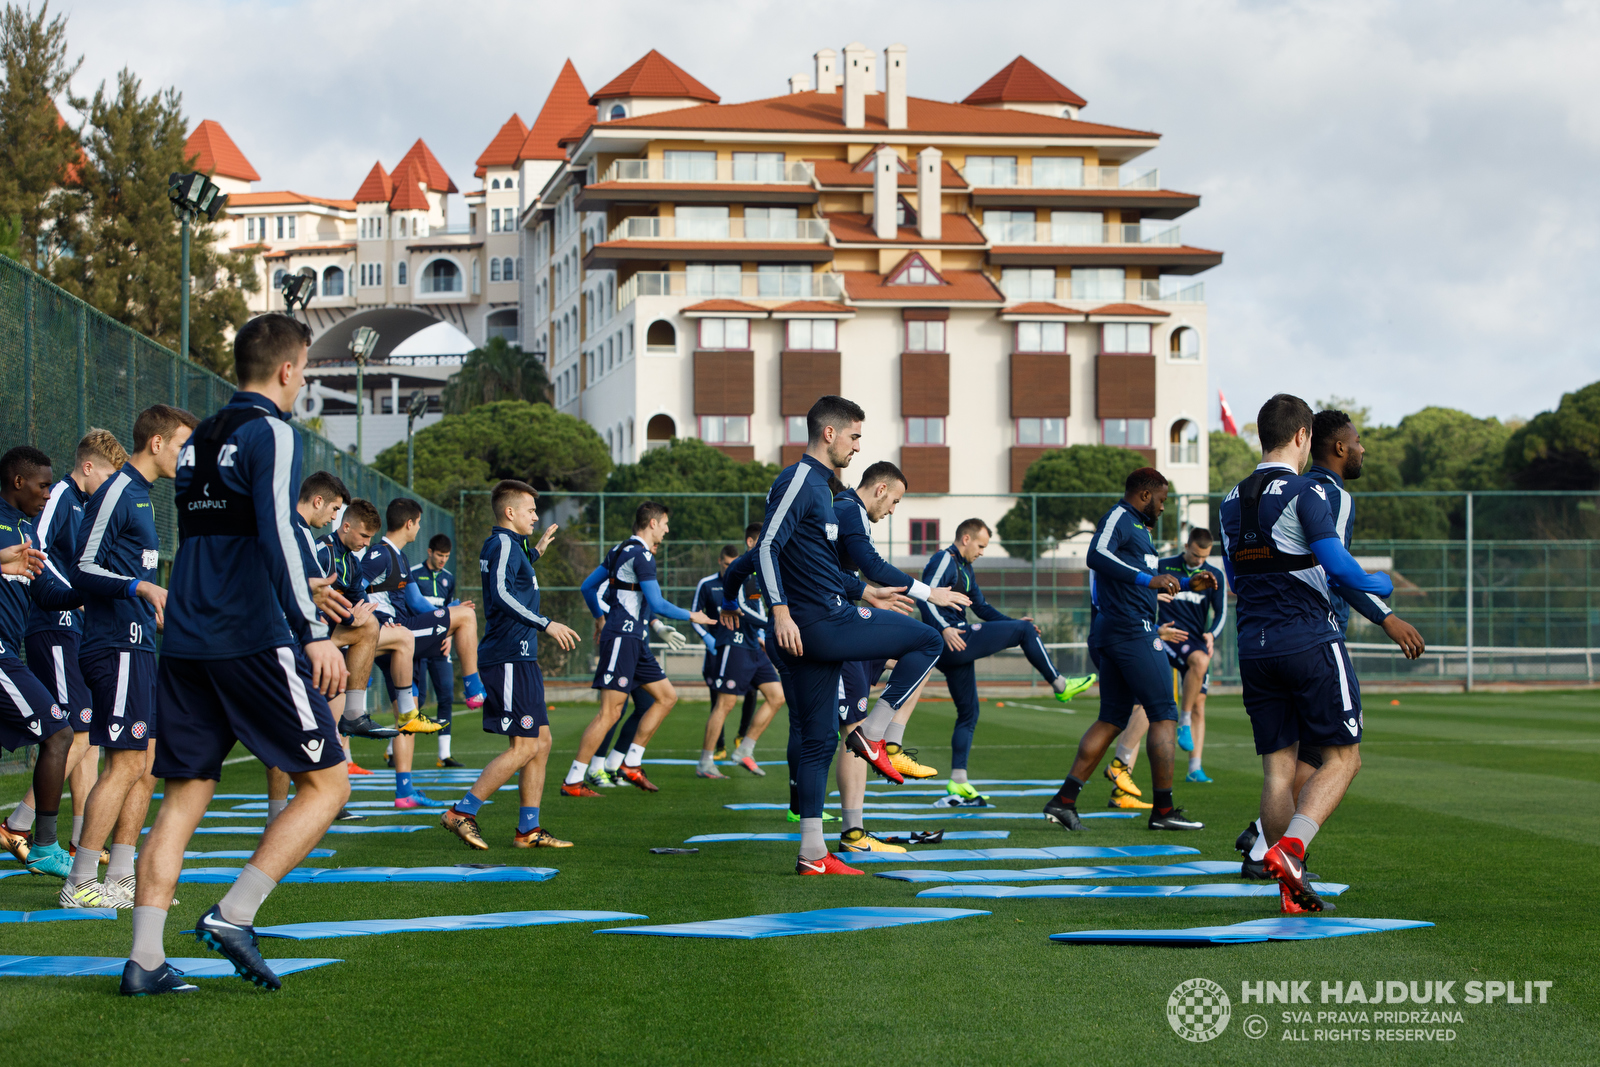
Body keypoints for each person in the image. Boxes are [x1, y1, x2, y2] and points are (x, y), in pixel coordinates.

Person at [122, 312, 353, 996]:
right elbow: (278, 530)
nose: (303, 379)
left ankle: (144, 959)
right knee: (330, 782)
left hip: (187, 640)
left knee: (184, 796)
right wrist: (310, 625)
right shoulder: (271, 432)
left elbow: (222, 535)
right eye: (305, 368)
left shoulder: (194, 445)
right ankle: (235, 913)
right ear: (288, 370)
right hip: (248, 638)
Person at [719, 395, 943, 876]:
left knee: (818, 738)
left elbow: (815, 567)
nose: (858, 446)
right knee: (928, 640)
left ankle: (813, 854)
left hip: (815, 626)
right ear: (829, 434)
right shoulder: (800, 480)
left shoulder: (824, 488)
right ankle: (877, 738)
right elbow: (765, 551)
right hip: (819, 624)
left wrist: (868, 593)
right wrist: (778, 610)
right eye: (855, 436)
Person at [1218, 393, 1420, 914]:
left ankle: (1290, 891)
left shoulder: (1228, 501)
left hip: (1254, 647)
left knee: (1278, 772)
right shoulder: (1306, 491)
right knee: (1343, 759)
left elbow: (1237, 578)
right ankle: (1292, 849)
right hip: (1307, 638)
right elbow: (1341, 568)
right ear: (1304, 436)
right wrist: (1383, 585)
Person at [61, 405, 197, 908]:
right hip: (112, 644)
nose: (187, 458)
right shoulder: (118, 489)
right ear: (157, 443)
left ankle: (119, 877)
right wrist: (141, 587)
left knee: (146, 763)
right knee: (123, 764)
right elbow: (82, 568)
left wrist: (154, 598)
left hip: (138, 643)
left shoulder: (143, 497)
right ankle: (79, 881)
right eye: (183, 445)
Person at [1041, 467, 1209, 835]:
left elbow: (1135, 578)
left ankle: (1063, 801)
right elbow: (1096, 555)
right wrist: (1150, 579)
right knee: (1164, 712)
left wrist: (1183, 583)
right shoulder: (1119, 517)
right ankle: (1163, 810)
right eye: (1162, 499)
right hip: (1130, 631)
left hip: (1118, 631)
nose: (1164, 507)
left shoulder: (1138, 529)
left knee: (1113, 717)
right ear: (1145, 495)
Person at [4, 429, 125, 865]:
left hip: (70, 624)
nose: (111, 486)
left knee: (84, 732)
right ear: (88, 467)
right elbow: (39, 554)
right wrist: (82, 586)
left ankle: (79, 838)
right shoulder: (57, 495)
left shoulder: (85, 506)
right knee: (69, 730)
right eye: (108, 476)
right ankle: (21, 824)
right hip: (49, 626)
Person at [440, 480, 580, 849]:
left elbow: (511, 578)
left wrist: (535, 553)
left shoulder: (513, 546)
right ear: (510, 512)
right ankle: (462, 812)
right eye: (531, 509)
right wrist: (546, 622)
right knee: (523, 746)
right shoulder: (501, 543)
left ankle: (528, 830)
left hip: (522, 656)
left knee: (541, 742)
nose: (536, 515)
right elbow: (500, 594)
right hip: (508, 657)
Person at [922, 518, 1096, 800]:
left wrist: (1014, 623)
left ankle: (958, 781)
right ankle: (1060, 684)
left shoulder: (966, 568)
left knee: (969, 713)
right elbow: (925, 595)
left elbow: (982, 608)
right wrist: (944, 628)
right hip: (951, 639)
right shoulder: (944, 559)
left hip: (956, 643)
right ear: (965, 539)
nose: (982, 552)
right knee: (1024, 631)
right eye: (980, 546)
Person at [261, 475, 391, 825]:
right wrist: (346, 616)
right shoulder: (297, 533)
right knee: (283, 731)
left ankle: (352, 714)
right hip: (282, 644)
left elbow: (316, 593)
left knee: (371, 628)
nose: (334, 517)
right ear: (318, 501)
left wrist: (351, 614)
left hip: (303, 641)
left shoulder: (301, 533)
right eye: (334, 509)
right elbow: (293, 589)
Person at [565, 502, 715, 795]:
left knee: (667, 697)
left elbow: (587, 588)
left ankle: (630, 763)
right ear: (652, 523)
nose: (667, 529)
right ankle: (573, 779)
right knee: (609, 713)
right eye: (665, 523)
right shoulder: (643, 555)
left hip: (633, 639)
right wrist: (692, 615)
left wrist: (599, 618)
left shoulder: (620, 549)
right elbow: (657, 603)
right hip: (622, 638)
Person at [0, 446, 76, 878]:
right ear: (17, 482)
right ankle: (45, 844)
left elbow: (47, 592)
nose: (48, 494)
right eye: (43, 485)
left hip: (10, 650)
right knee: (60, 733)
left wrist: (96, 591)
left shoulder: (25, 529)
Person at [694, 545, 784, 779]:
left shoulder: (756, 574)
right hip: (733, 646)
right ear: (751, 541)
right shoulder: (736, 572)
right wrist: (771, 626)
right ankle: (705, 762)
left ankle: (745, 750)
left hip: (754, 646)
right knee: (725, 704)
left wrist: (764, 635)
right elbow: (741, 608)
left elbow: (758, 608)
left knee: (777, 697)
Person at [1157, 528, 1227, 783]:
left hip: (1196, 640)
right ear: (1186, 545)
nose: (1199, 561)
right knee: (1145, 706)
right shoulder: (1163, 566)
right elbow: (1143, 593)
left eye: (1204, 556)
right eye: (1196, 555)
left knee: (1200, 704)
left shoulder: (1214, 575)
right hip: (1169, 636)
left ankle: (1194, 769)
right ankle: (1182, 722)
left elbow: (1221, 614)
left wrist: (1211, 635)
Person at [411, 533, 464, 767]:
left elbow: (451, 612)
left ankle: (444, 755)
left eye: (447, 557)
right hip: (417, 645)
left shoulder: (448, 579)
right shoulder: (413, 574)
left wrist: (450, 636)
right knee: (417, 698)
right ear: (429, 552)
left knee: (446, 696)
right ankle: (394, 748)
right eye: (440, 555)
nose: (443, 560)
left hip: (441, 645)